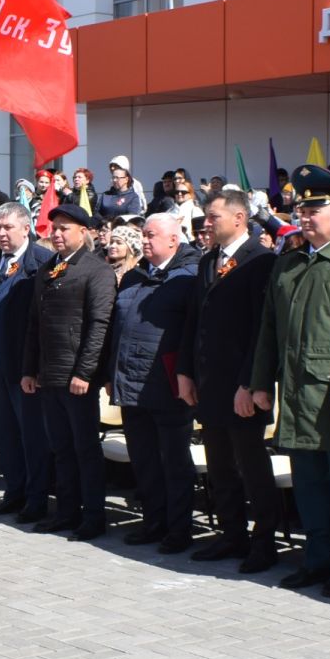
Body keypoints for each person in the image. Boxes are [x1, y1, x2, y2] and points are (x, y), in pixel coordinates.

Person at [247, 165, 330, 597]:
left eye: (316, 209)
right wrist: (260, 382)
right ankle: (316, 560)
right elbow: (267, 329)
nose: (305, 216)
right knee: (309, 486)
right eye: (302, 209)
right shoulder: (288, 264)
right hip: (297, 393)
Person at [181, 189, 281, 572]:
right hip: (211, 384)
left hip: (242, 387)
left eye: (212, 217)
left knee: (252, 467)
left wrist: (251, 384)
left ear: (239, 218)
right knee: (220, 465)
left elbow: (261, 330)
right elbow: (196, 322)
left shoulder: (261, 261)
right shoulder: (209, 261)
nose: (206, 223)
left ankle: (264, 543)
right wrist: (186, 373)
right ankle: (231, 535)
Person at [23, 203, 115, 540]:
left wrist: (85, 372)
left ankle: (93, 517)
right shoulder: (48, 269)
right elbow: (35, 324)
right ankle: (65, 512)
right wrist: (30, 369)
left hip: (77, 377)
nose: (57, 234)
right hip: (49, 374)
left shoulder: (96, 270)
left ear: (84, 232)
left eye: (65, 228)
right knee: (60, 447)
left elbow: (99, 325)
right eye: (55, 228)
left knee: (85, 449)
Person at [108, 215, 200, 552]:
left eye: (151, 235)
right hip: (131, 383)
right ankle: (153, 522)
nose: (144, 241)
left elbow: (193, 333)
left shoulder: (189, 277)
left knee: (174, 462)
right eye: (142, 235)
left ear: (174, 239)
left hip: (167, 384)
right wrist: (110, 373)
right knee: (144, 459)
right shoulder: (133, 275)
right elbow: (116, 327)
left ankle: (178, 529)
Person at [0, 202, 55, 523]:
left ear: (26, 229)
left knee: (31, 434)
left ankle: (36, 499)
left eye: (8, 228)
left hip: (26, 366)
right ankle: (14, 491)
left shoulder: (42, 263)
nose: (1, 234)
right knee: (4, 433)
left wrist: (36, 365)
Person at [99, 156, 145, 221]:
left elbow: (140, 206)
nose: (112, 168)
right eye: (111, 166)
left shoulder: (135, 184)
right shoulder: (106, 193)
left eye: (115, 165)